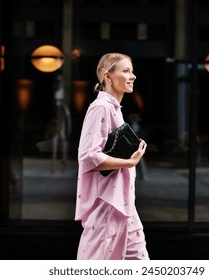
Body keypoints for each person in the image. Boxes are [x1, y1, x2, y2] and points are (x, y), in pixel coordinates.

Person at [75, 53, 150, 260]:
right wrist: (130, 161)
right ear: (108, 76)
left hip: (123, 204)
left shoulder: (115, 109)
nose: (133, 76)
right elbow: (89, 156)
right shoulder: (101, 108)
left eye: (132, 70)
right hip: (108, 204)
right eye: (126, 71)